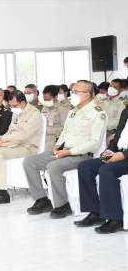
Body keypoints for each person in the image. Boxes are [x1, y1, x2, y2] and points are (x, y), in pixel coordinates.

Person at [23, 80, 108, 219]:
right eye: (73, 91)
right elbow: (64, 133)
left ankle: (62, 205)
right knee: (29, 162)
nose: (72, 94)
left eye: (75, 92)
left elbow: (95, 143)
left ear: (86, 94)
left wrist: (68, 152)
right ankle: (42, 199)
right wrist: (59, 145)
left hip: (81, 155)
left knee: (53, 166)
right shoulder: (73, 112)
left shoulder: (98, 113)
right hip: (64, 151)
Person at [0, 90, 43, 204]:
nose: (13, 108)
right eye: (11, 106)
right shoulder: (16, 112)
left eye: (15, 105)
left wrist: (2, 140)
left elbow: (24, 134)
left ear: (23, 103)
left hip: (27, 147)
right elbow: (10, 131)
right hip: (13, 144)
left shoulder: (34, 113)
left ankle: (1, 193)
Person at [76, 103, 128, 234]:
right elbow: (118, 138)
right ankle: (96, 212)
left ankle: (116, 218)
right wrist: (109, 151)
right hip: (118, 153)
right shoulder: (126, 111)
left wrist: (123, 155)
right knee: (85, 167)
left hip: (125, 156)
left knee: (107, 170)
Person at [41, 85, 70, 151]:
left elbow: (65, 129)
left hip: (54, 138)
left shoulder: (63, 109)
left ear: (55, 97)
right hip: (42, 135)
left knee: (43, 149)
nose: (46, 102)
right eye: (45, 100)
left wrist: (49, 131)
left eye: (48, 100)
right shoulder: (44, 108)